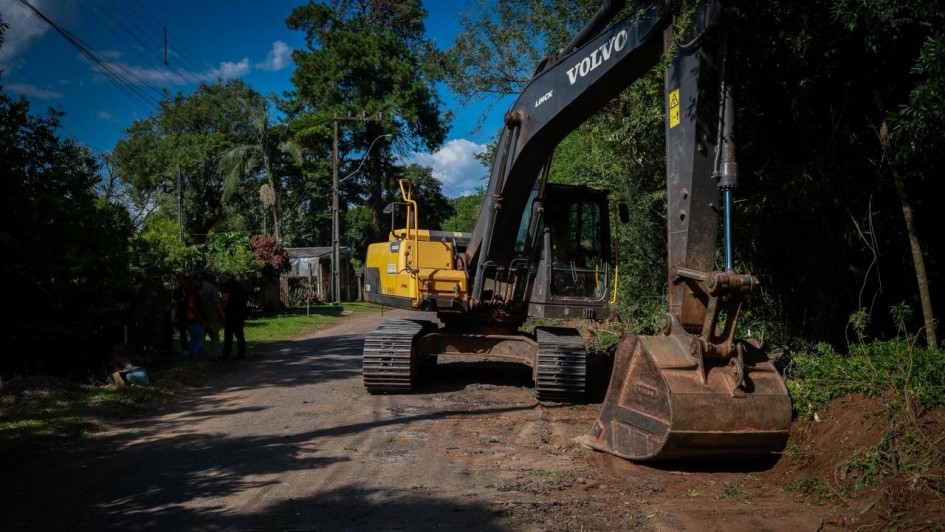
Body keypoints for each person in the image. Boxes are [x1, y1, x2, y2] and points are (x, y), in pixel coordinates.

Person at [219, 271, 248, 360]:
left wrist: (222, 309)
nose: (221, 281)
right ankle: (242, 353)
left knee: (228, 334)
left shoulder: (228, 285)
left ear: (224, 277)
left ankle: (226, 354)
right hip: (240, 311)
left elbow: (225, 299)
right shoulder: (238, 284)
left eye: (221, 279)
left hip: (231, 312)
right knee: (239, 334)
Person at [196, 273, 224, 359]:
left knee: (200, 335)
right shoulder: (211, 288)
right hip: (212, 315)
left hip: (199, 316)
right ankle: (216, 354)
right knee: (214, 335)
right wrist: (221, 313)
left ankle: (200, 354)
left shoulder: (196, 288)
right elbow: (216, 302)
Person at [184, 274, 208, 361]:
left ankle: (194, 358)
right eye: (199, 281)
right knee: (198, 338)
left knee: (195, 339)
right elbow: (192, 305)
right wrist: (200, 319)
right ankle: (195, 359)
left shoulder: (194, 291)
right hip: (194, 320)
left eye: (202, 281)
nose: (201, 283)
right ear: (194, 282)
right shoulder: (191, 292)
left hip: (194, 319)